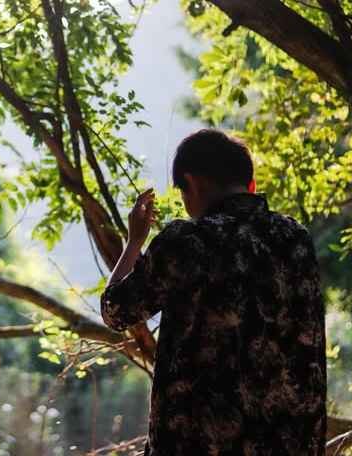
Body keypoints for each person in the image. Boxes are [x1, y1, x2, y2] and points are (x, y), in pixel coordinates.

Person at [101, 129, 326, 455]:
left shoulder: (188, 241)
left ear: (192, 184)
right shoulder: (295, 239)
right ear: (249, 184)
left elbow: (116, 311)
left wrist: (135, 241)